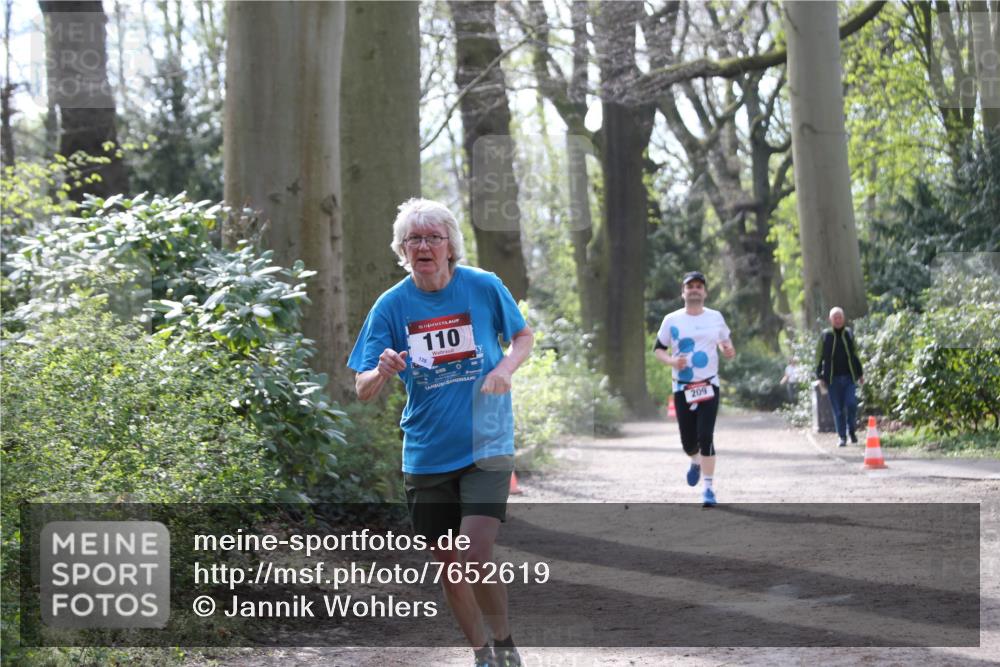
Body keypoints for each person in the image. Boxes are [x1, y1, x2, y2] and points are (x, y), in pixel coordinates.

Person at [348, 198, 533, 667]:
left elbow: (523, 337)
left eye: (434, 237)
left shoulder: (483, 286)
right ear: (402, 249)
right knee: (451, 568)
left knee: (473, 553)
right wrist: (383, 371)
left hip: (486, 444)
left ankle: (506, 640)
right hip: (427, 455)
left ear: (451, 246)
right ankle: (482, 653)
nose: (424, 246)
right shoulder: (391, 306)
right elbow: (361, 387)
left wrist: (506, 368)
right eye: (415, 239)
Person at [653, 271, 736, 507]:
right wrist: (671, 361)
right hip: (682, 387)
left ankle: (708, 488)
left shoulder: (715, 317)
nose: (695, 290)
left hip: (709, 384)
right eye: (690, 287)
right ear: (683, 292)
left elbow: (724, 342)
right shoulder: (672, 320)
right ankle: (695, 460)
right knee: (688, 441)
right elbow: (658, 348)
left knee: (706, 435)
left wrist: (727, 350)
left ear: (705, 292)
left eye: (699, 286)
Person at [815, 306, 864, 447]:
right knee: (838, 409)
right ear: (830, 320)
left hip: (849, 377)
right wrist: (819, 375)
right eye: (834, 317)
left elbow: (855, 354)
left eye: (840, 317)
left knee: (851, 404)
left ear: (844, 319)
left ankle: (852, 431)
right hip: (832, 379)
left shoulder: (849, 334)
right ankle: (842, 436)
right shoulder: (825, 335)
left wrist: (860, 373)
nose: (837, 320)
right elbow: (818, 356)